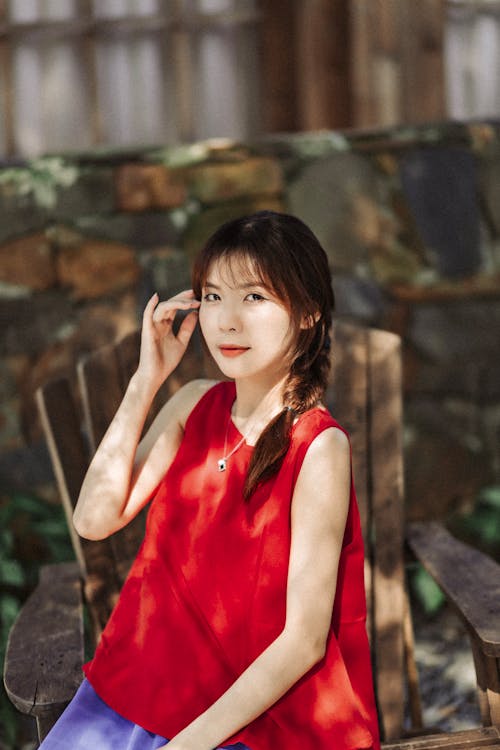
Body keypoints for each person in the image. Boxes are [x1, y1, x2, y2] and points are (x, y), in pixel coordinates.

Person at [40, 210, 380, 750]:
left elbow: (304, 642)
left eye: (254, 298)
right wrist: (146, 378)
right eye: (214, 296)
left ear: (310, 311)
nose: (227, 320)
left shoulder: (319, 448)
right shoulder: (193, 402)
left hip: (257, 720)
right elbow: (93, 520)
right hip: (141, 690)